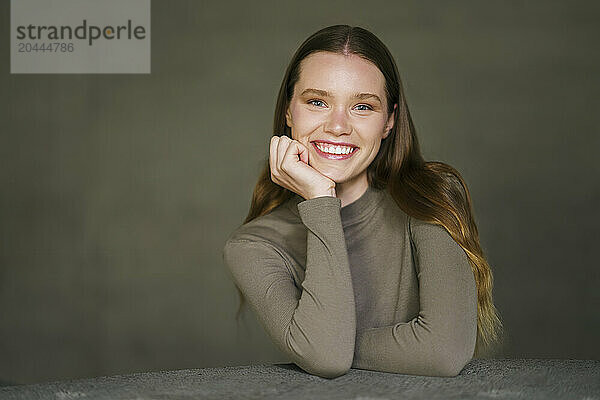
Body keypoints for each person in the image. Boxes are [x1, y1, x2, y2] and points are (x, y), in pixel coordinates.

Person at [222, 24, 503, 379]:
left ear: (389, 121)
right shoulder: (253, 245)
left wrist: (324, 338)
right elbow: (327, 359)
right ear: (289, 112)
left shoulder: (431, 197)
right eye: (317, 102)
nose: (338, 126)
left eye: (363, 107)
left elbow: (442, 352)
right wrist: (322, 201)